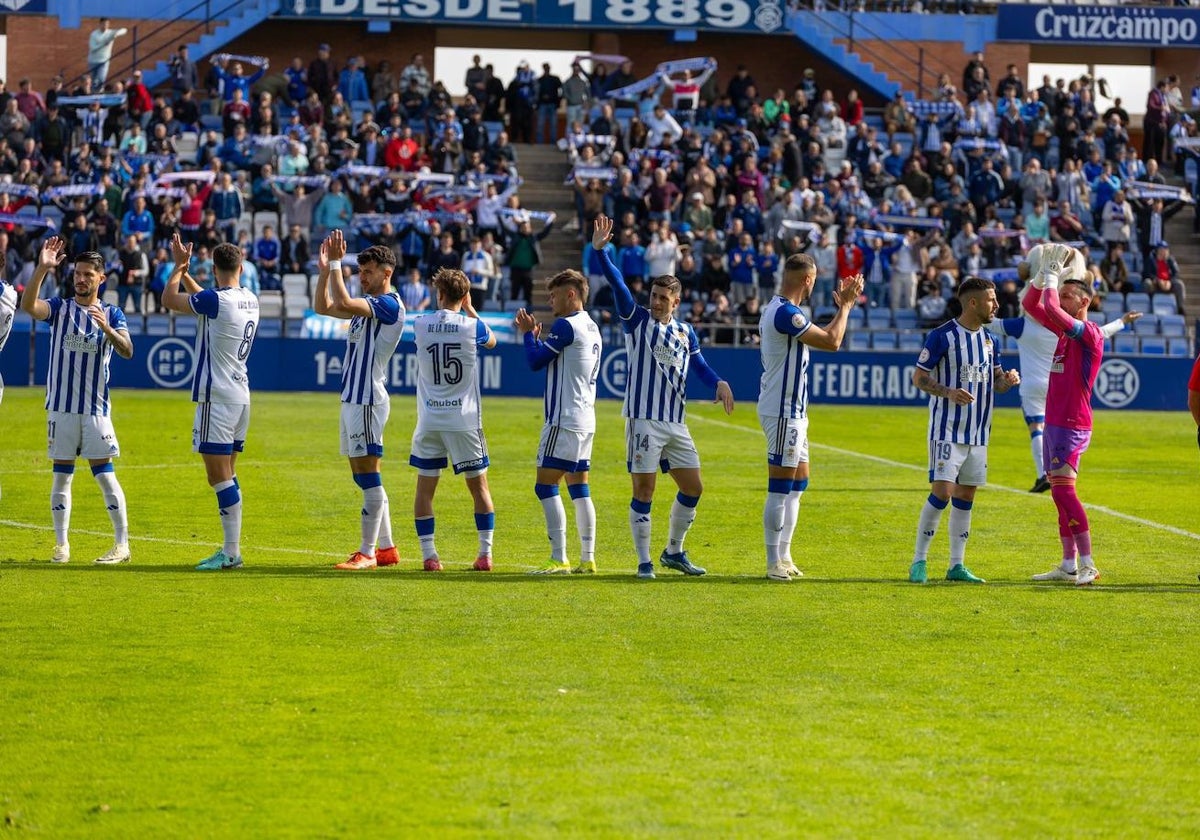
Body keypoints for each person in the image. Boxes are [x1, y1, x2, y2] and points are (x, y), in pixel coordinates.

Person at [592, 214, 735, 579]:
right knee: (645, 489)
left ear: (676, 302)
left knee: (693, 486)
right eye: (654, 296)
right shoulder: (637, 321)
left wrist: (718, 383)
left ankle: (674, 551)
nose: (655, 302)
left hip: (675, 422)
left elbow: (700, 367)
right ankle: (643, 562)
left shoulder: (686, 333)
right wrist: (603, 252)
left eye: (662, 298)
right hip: (644, 419)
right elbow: (619, 285)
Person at [19, 238, 133, 565]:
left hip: (96, 411)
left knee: (105, 475)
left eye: (87, 274)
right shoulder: (60, 308)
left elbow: (127, 350)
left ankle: (122, 545)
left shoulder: (112, 313)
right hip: (61, 408)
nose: (80, 279)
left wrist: (107, 329)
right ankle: (61, 546)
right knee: (61, 476)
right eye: (77, 274)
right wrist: (43, 268)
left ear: (101, 278)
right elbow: (29, 306)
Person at [908, 277, 1021, 585]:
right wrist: (948, 392)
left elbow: (995, 382)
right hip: (947, 429)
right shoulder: (942, 336)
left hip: (979, 432)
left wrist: (1007, 382)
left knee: (966, 495)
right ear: (972, 303)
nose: (996, 305)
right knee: (942, 493)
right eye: (990, 300)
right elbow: (918, 378)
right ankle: (919, 560)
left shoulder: (989, 341)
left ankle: (956, 565)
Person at [760, 254, 863, 581]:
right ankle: (772, 561)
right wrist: (845, 307)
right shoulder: (785, 314)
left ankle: (785, 553)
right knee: (780, 486)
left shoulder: (781, 309)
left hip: (795, 411)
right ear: (807, 280)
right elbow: (833, 342)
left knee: (798, 483)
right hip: (782, 409)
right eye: (814, 280)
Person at [160, 234, 260, 571]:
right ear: (241, 268)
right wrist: (187, 271)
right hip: (241, 395)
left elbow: (169, 299)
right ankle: (232, 549)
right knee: (227, 473)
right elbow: (206, 296)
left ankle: (231, 552)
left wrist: (177, 268)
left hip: (216, 396)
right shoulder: (250, 298)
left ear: (214, 269)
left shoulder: (216, 301)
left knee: (218, 477)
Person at [313, 231, 405, 571]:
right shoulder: (366, 309)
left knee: (369, 474)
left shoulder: (389, 304)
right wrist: (326, 270)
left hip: (367, 398)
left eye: (368, 272)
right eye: (360, 271)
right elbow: (322, 306)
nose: (362, 277)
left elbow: (347, 302)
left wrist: (337, 264)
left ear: (386, 273)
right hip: (353, 398)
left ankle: (367, 553)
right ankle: (386, 548)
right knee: (363, 475)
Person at [991, 297, 1140, 493]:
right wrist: (1122, 322)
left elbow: (991, 324)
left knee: (1037, 428)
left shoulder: (1021, 325)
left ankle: (1042, 473)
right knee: (1052, 429)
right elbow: (1100, 333)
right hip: (1058, 384)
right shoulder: (1061, 326)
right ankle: (1055, 471)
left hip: (1032, 385)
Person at [1022, 244, 1107, 586]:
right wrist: (1043, 276)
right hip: (1055, 421)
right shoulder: (1063, 333)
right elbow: (1033, 305)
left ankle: (1088, 563)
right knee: (1058, 492)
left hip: (1073, 423)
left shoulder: (1090, 334)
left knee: (1065, 491)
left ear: (1083, 302)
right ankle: (1068, 563)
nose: (1062, 297)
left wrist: (1054, 278)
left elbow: (1053, 309)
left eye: (1070, 294)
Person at [409, 267, 498, 572]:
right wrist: (471, 309)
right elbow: (492, 342)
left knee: (424, 490)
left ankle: (429, 555)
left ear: (440, 294)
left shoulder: (421, 324)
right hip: (464, 419)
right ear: (465, 295)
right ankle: (485, 554)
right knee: (479, 488)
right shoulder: (473, 328)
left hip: (430, 418)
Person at [515, 270, 602, 574]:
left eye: (554, 295)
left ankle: (558, 557)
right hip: (586, 418)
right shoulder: (592, 326)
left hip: (563, 418)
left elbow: (535, 362)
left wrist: (527, 334)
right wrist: (538, 341)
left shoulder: (566, 325)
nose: (549, 300)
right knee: (579, 488)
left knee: (545, 485)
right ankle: (587, 557)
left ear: (571, 294)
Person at [87, 18, 128, 88]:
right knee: (93, 81)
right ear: (100, 24)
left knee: (101, 79)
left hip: (104, 60)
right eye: (103, 24)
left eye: (107, 24)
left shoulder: (110, 33)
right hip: (93, 61)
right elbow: (92, 48)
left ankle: (100, 93)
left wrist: (117, 34)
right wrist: (104, 43)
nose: (105, 26)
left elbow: (124, 30)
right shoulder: (94, 34)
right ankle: (92, 94)